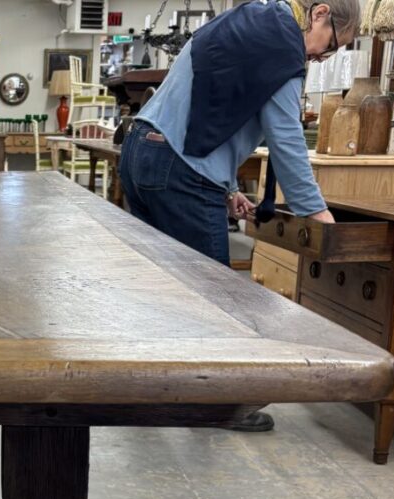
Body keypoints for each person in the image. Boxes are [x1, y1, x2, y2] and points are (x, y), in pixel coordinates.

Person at [118, 0, 361, 432]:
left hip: (142, 151)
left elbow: (211, 101)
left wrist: (227, 187)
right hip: (180, 172)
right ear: (321, 13)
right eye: (334, 45)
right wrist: (319, 216)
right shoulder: (283, 48)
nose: (324, 57)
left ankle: (153, 392)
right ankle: (217, 406)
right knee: (221, 300)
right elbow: (286, 141)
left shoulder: (245, 19)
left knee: (163, 289)